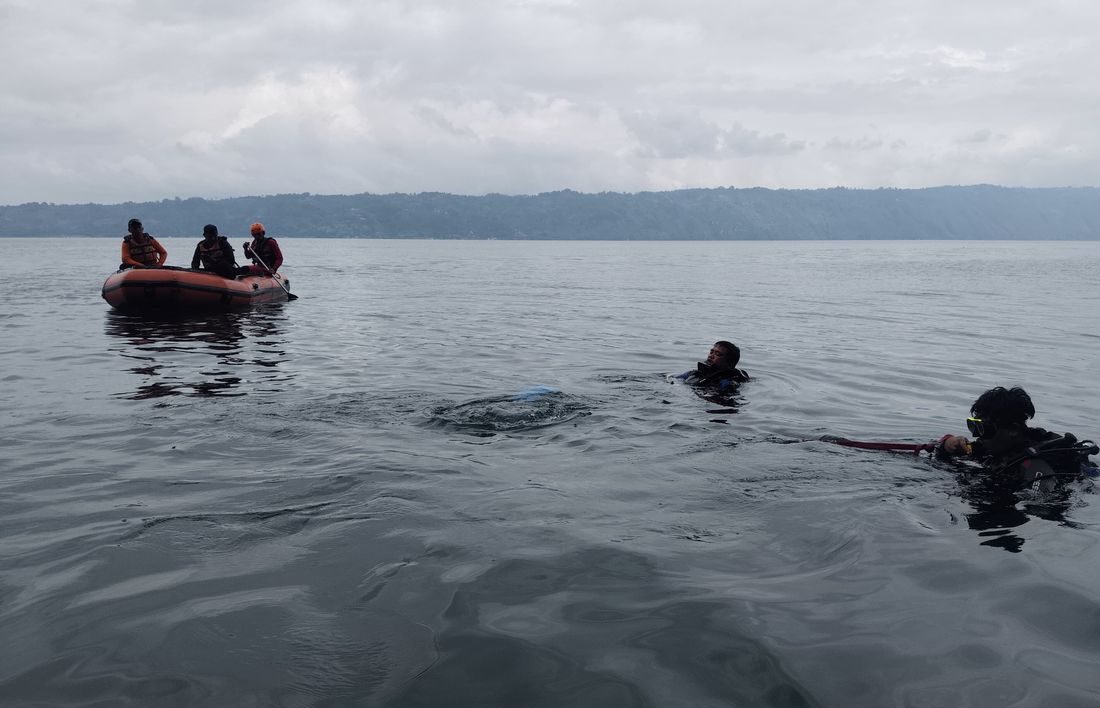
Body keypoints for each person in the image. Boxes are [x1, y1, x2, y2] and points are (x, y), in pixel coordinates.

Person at [937, 386, 1098, 490]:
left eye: (985, 430)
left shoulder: (1035, 462)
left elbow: (1045, 502)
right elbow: (941, 456)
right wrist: (946, 445)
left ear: (1013, 430)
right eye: (974, 426)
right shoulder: (996, 447)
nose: (976, 436)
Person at [676, 341, 749, 392]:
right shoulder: (694, 373)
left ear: (729, 364)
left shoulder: (727, 383)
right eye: (711, 352)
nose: (711, 356)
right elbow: (672, 378)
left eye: (718, 354)